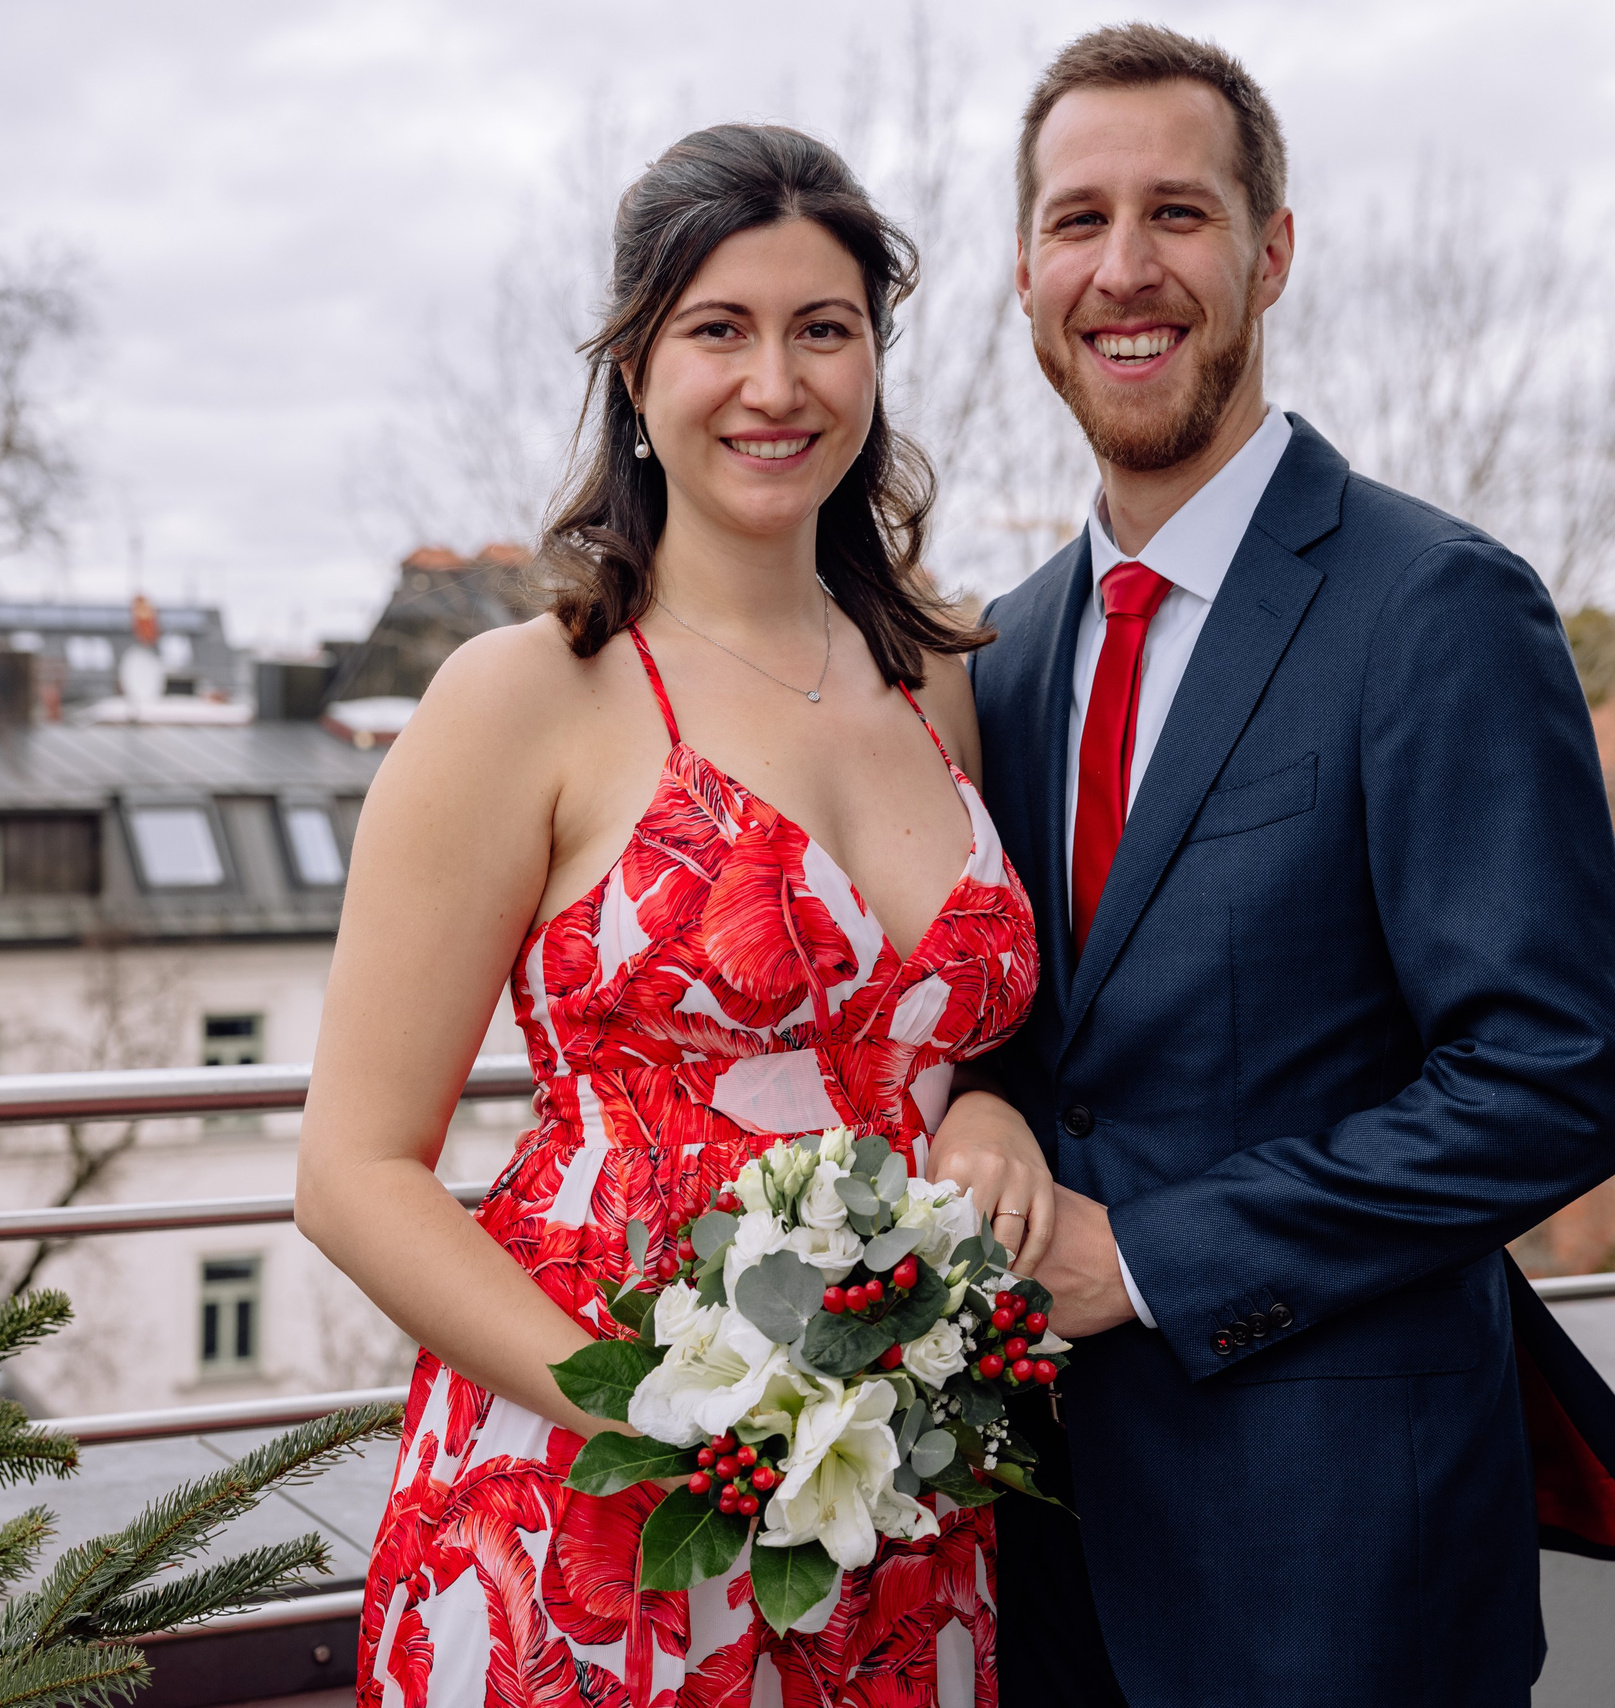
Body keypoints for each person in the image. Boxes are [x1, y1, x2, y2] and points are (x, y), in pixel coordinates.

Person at [963, 25, 1615, 1708]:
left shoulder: (1437, 608)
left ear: (1271, 251)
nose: (1125, 269)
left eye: (1180, 213)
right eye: (1079, 221)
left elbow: (1555, 1078)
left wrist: (1149, 1261)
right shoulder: (998, 653)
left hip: (1338, 1566)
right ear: (1025, 272)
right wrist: (982, 1103)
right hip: (1037, 1546)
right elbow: (1025, 1028)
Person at [297, 125, 1054, 1706]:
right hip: (598, 1496)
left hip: (891, 1494)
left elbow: (948, 1032)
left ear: (873, 363)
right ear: (637, 370)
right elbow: (354, 1173)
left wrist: (992, 1109)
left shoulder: (941, 684)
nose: (774, 383)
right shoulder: (527, 695)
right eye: (720, 330)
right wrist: (645, 1408)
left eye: (822, 329)